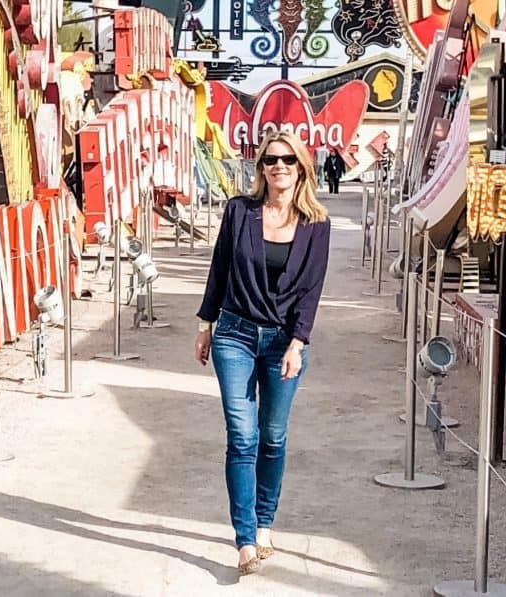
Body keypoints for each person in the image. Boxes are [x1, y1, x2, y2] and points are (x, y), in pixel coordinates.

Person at [194, 131, 331, 576]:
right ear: (261, 168)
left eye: (288, 160)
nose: (279, 167)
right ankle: (246, 540)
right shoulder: (239, 211)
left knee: (272, 436)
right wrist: (205, 324)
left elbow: (311, 290)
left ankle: (265, 520)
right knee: (242, 435)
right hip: (233, 332)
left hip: (283, 342)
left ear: (301, 167)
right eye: (271, 160)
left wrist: (298, 342)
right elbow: (219, 267)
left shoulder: (317, 224)